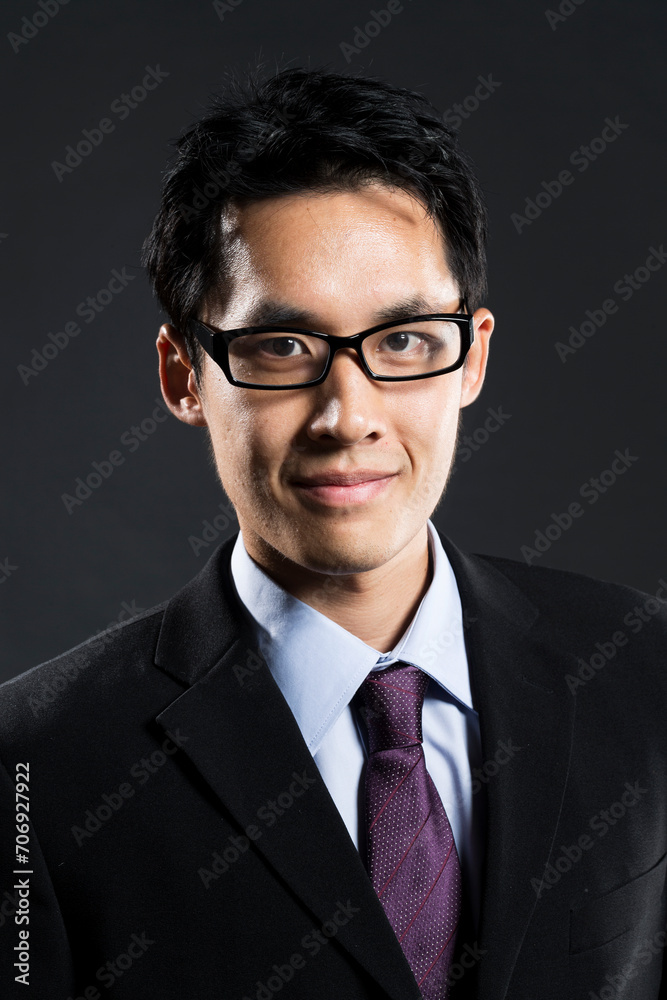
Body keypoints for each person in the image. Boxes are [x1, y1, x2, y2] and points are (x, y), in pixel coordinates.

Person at [1, 66, 666, 1000]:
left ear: (470, 357)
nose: (346, 415)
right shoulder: (30, 766)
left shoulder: (642, 670)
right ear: (184, 375)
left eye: (402, 341)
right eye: (281, 348)